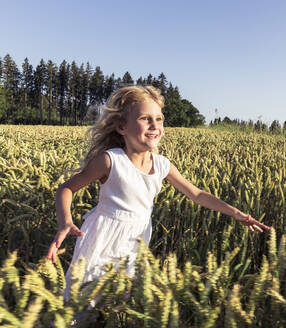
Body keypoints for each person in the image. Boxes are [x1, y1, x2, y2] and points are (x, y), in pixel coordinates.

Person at [45, 85, 270, 302]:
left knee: (121, 302)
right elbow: (66, 188)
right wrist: (66, 222)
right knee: (82, 303)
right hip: (102, 238)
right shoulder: (110, 160)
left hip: (136, 241)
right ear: (121, 127)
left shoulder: (162, 165)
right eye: (145, 119)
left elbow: (197, 194)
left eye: (159, 119)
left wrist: (236, 212)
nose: (154, 125)